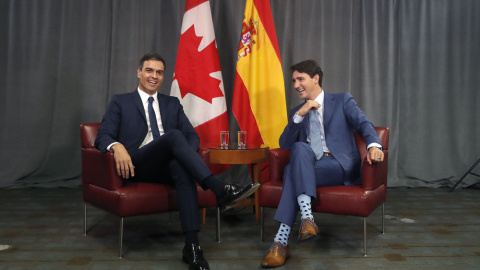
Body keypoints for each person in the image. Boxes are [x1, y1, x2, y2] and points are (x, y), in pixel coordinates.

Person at [95, 52, 259, 270]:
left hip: (167, 166)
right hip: (137, 164)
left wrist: (184, 156)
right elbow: (102, 136)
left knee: (181, 165)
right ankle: (220, 189)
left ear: (163, 76)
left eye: (159, 72)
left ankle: (192, 248)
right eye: (149, 70)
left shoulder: (172, 103)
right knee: (172, 136)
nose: (154, 76)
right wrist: (117, 146)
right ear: (139, 72)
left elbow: (192, 136)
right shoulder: (121, 101)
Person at [260, 60, 384, 268]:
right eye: (293, 81)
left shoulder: (342, 100)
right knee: (299, 149)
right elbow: (284, 144)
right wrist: (300, 114)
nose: (296, 85)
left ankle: (281, 242)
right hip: (310, 164)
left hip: (337, 164)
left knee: (292, 170)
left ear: (315, 78)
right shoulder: (297, 112)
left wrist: (374, 144)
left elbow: (363, 123)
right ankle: (306, 220)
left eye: (301, 79)